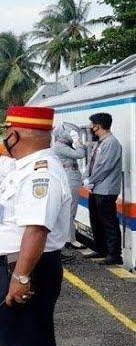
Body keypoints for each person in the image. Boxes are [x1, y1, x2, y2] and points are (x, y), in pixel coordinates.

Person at [0, 102, 71, 346]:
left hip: (20, 269)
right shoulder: (25, 166)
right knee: (21, 343)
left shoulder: (41, 175)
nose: (3, 137)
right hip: (11, 268)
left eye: (6, 132)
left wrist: (21, 277)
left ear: (15, 135)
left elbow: (37, 230)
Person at [82, 113, 123, 265]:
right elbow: (91, 162)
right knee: (96, 219)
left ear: (98, 126)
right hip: (96, 188)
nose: (91, 128)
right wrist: (86, 178)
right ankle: (100, 249)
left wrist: (91, 180)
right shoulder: (100, 143)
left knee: (108, 221)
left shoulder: (111, 143)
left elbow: (105, 167)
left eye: (92, 125)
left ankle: (114, 254)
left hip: (106, 190)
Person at [52, 122, 87, 256]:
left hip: (71, 176)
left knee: (71, 209)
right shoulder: (59, 146)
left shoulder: (62, 146)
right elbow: (80, 154)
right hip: (69, 177)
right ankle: (70, 239)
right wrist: (78, 141)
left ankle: (69, 237)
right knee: (70, 209)